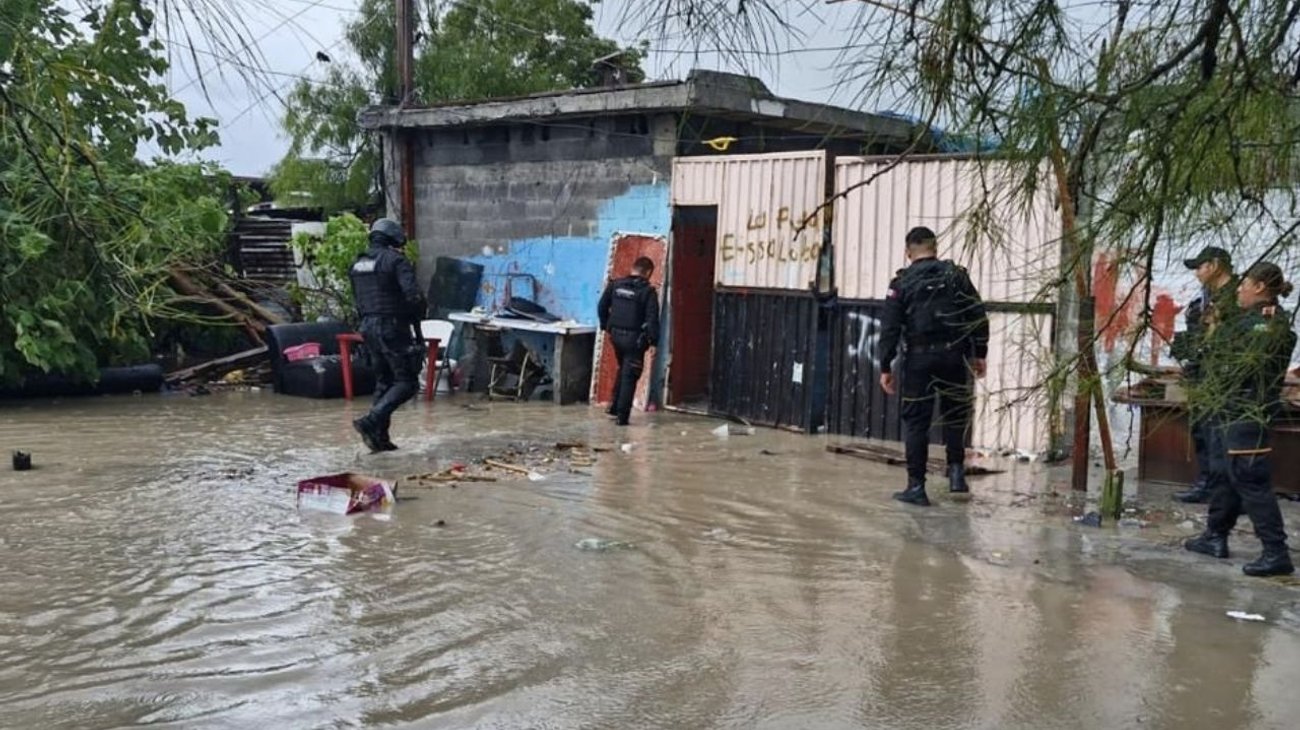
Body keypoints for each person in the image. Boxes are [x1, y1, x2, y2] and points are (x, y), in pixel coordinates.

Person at [1184, 261, 1296, 577]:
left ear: (1260, 287)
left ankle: (1276, 552)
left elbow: (1238, 365)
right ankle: (1215, 535)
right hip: (1229, 409)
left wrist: (1215, 335)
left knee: (1251, 481)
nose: (1240, 289)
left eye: (1245, 283)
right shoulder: (1246, 321)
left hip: (1246, 412)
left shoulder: (1265, 324)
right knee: (1223, 474)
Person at [878, 226, 990, 506]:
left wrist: (885, 366)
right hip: (954, 357)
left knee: (917, 422)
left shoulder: (901, 284)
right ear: (935, 248)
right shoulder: (956, 276)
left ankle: (916, 487)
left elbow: (890, 328)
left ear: (908, 252)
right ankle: (956, 475)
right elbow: (977, 313)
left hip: (919, 361)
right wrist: (980, 353)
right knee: (955, 414)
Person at [348, 218, 427, 452]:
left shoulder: (357, 264)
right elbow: (413, 296)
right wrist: (419, 314)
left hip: (367, 327)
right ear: (393, 238)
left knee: (384, 381)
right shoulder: (396, 261)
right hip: (392, 327)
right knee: (407, 382)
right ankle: (371, 421)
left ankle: (378, 439)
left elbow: (357, 300)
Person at [1169, 246, 1238, 503]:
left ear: (1216, 265)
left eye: (1200, 266)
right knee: (1202, 431)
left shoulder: (1236, 296)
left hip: (1222, 377)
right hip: (1202, 373)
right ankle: (1207, 484)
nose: (1197, 273)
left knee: (1219, 435)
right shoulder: (1207, 296)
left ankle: (1222, 491)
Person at [597, 256, 660, 426]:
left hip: (615, 336)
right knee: (629, 376)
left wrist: (605, 326)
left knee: (623, 369)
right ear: (648, 272)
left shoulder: (616, 285)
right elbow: (652, 319)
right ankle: (622, 418)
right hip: (635, 340)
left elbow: (602, 306)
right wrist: (654, 342)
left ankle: (614, 407)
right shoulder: (648, 292)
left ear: (633, 268)